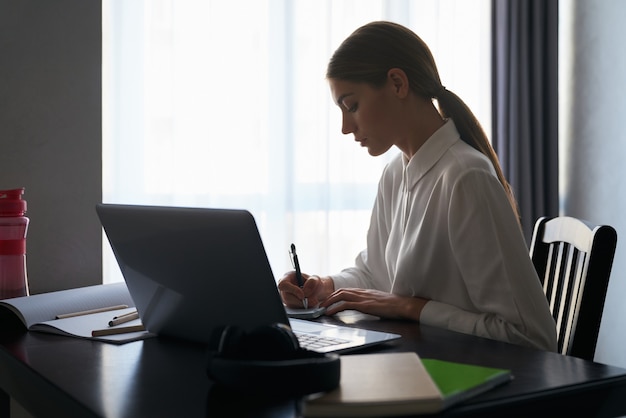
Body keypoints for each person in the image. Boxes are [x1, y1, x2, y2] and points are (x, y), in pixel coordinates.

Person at [278, 21, 557, 352]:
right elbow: (376, 273)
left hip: (470, 379)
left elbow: (530, 336)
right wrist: (323, 288)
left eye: (351, 106)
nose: (344, 127)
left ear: (397, 83)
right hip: (416, 365)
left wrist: (410, 307)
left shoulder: (466, 177)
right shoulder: (396, 174)